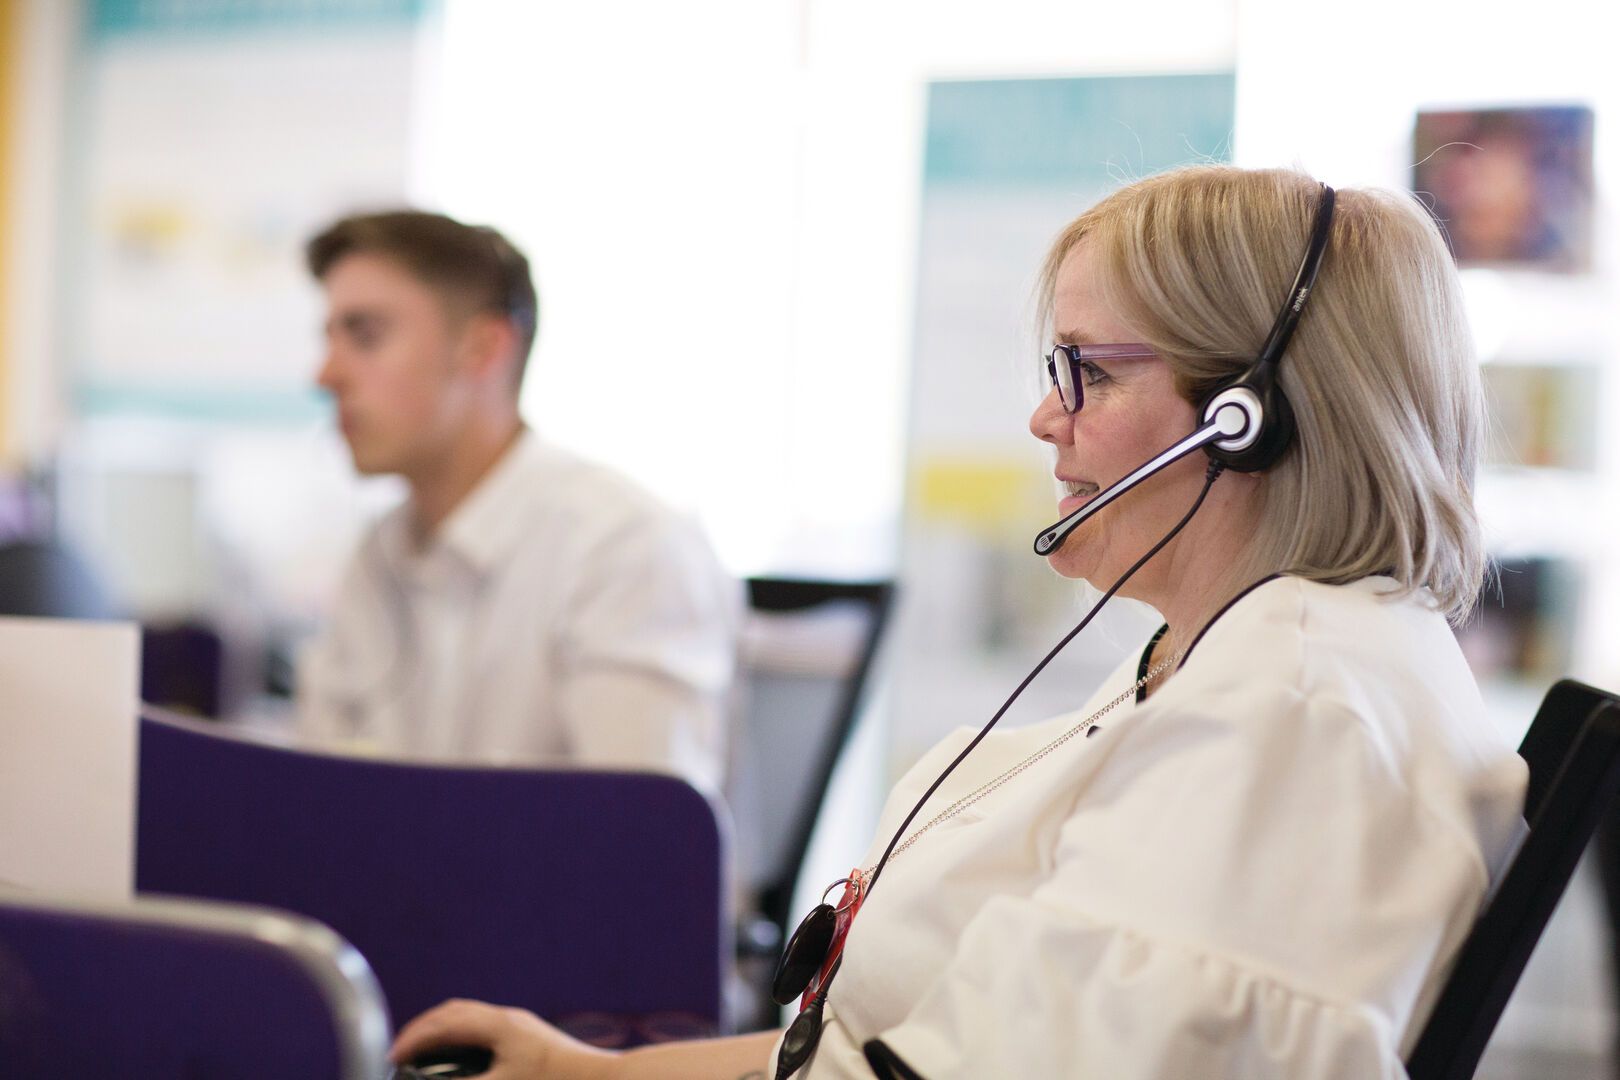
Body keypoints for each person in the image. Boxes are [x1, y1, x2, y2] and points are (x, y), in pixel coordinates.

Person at [387, 166, 1528, 1079]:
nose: (1044, 417)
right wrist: (581, 1074)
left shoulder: (1292, 711)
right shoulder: (1232, 665)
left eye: (1089, 372)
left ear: (1246, 419)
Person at [296, 210, 738, 788]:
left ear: (482, 348)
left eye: (365, 336)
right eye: (328, 339)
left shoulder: (623, 546)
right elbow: (319, 801)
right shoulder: (378, 554)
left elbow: (639, 851)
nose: (325, 375)